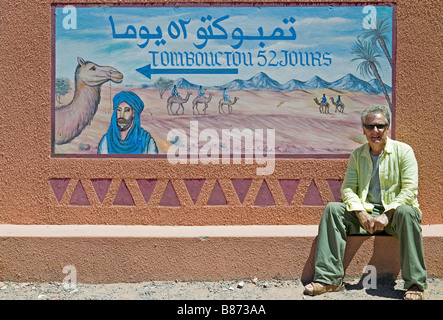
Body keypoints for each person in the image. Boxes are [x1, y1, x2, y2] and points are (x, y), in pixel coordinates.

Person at [304, 105, 427, 300]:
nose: (375, 131)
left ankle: (415, 284)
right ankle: (329, 280)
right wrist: (360, 212)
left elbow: (409, 190)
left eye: (380, 126)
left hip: (396, 216)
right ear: (363, 129)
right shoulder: (358, 155)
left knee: (407, 212)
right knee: (333, 209)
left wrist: (388, 214)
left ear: (387, 128)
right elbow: (348, 189)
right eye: (370, 126)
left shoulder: (404, 152)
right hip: (367, 215)